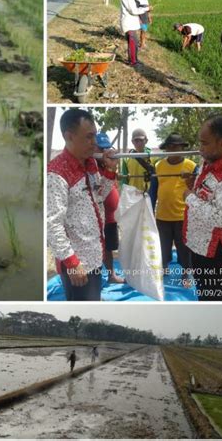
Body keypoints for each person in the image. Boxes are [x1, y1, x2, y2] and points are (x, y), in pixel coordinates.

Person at [47, 109, 118, 301]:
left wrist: (110, 172)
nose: (94, 142)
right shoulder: (57, 174)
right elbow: (52, 225)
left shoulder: (90, 164)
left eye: (94, 135)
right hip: (78, 265)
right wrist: (71, 263)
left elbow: (99, 196)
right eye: (88, 137)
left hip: (94, 255)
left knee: (93, 299)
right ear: (69, 136)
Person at [183, 115, 222, 301]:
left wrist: (190, 198)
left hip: (216, 253)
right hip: (200, 244)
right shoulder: (210, 160)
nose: (200, 148)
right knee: (204, 294)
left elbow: (220, 217)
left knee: (215, 299)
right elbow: (209, 193)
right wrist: (195, 186)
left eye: (204, 143)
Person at [155, 133, 197, 285]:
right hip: (162, 216)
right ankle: (164, 268)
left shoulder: (191, 166)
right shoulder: (159, 166)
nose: (173, 150)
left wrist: (191, 179)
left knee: (184, 248)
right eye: (170, 147)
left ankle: (186, 274)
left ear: (182, 148)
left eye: (176, 147)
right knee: (163, 246)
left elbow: (197, 189)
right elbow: (154, 189)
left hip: (182, 216)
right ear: (166, 149)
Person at [95, 132, 125, 284]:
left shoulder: (108, 167)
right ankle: (95, 282)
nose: (104, 152)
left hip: (111, 217)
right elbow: (98, 192)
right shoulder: (92, 169)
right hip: (98, 218)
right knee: (97, 249)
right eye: (101, 149)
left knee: (109, 248)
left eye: (107, 148)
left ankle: (111, 275)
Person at [120, 128, 158, 209]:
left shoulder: (154, 157)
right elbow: (124, 180)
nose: (139, 143)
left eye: (141, 140)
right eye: (136, 140)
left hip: (148, 195)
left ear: (146, 140)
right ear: (132, 142)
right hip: (132, 196)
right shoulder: (127, 158)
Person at [120, 0, 151, 66]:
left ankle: (133, 60)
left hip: (130, 23)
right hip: (129, 24)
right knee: (133, 44)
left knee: (133, 43)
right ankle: (133, 62)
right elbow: (134, 11)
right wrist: (146, 9)